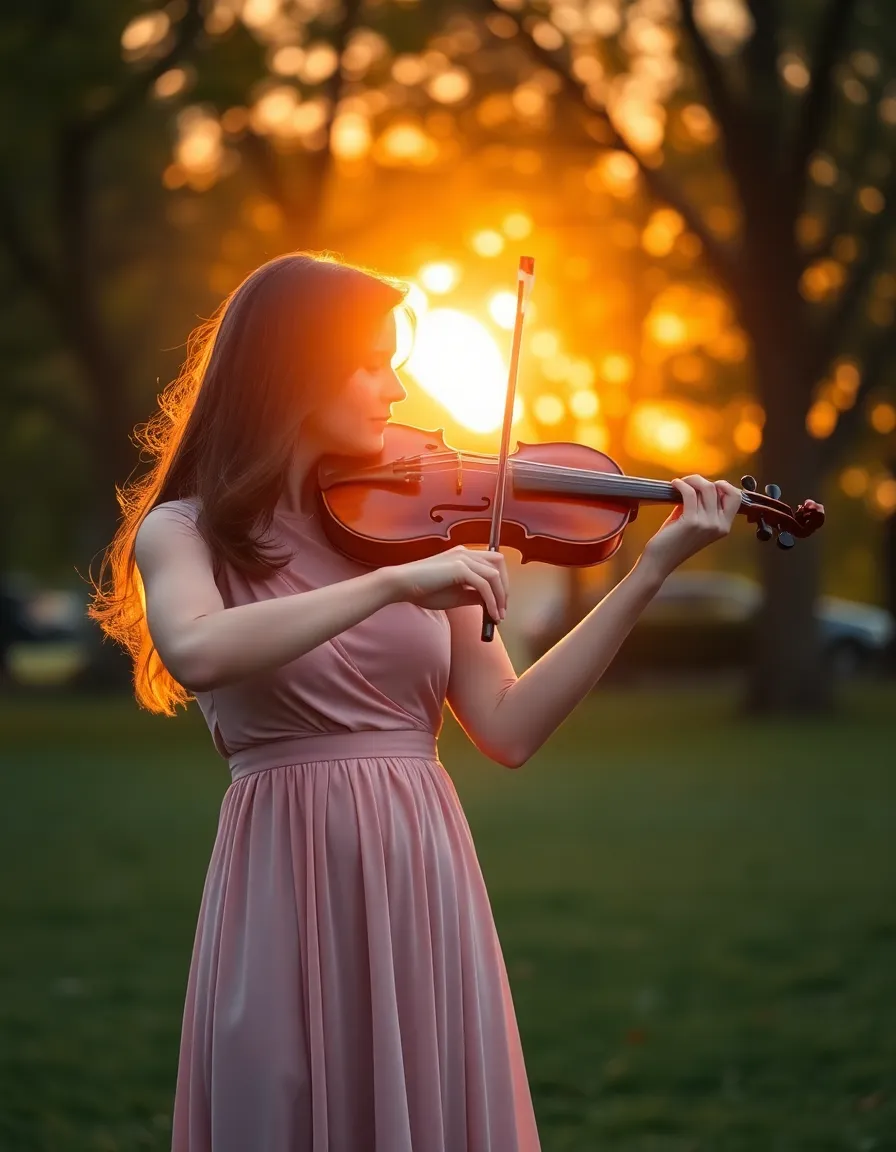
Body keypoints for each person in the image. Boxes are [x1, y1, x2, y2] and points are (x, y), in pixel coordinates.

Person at [88, 251, 742, 1152]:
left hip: (419, 858)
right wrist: (392, 587)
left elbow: (508, 728)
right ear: (295, 367)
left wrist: (652, 570)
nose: (395, 391)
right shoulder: (188, 531)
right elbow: (197, 649)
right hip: (286, 860)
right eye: (372, 362)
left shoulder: (428, 527)